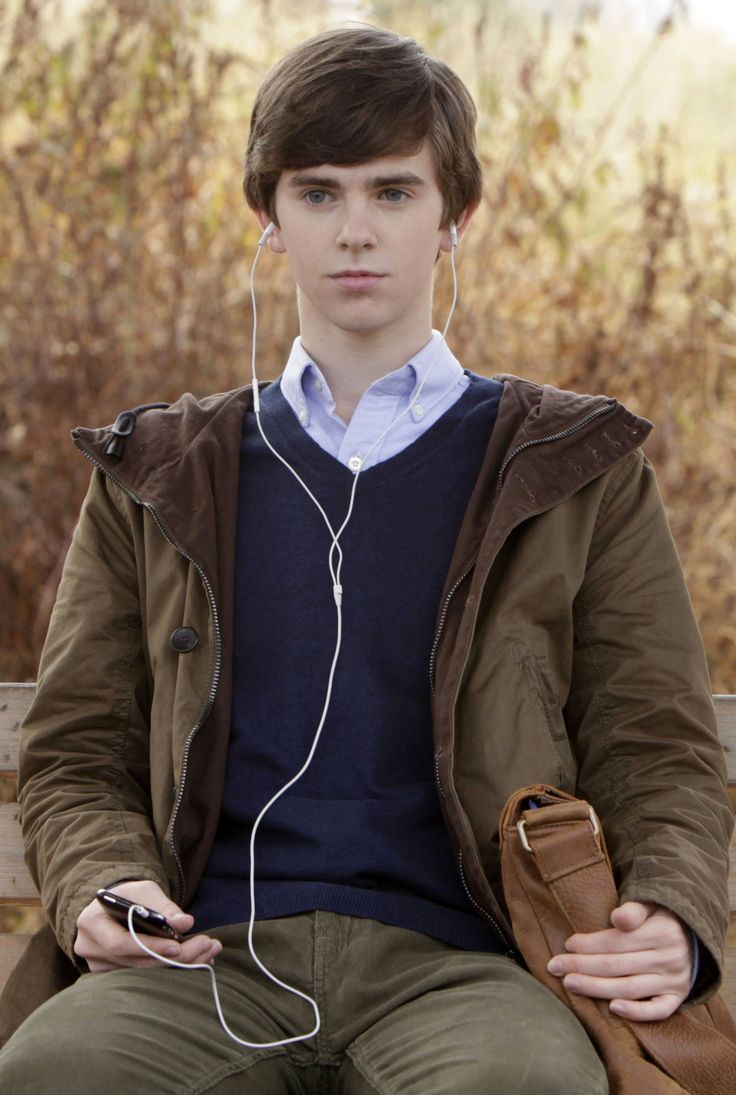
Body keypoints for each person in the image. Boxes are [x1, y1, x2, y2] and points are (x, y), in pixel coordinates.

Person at [0, 24, 731, 1095]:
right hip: (206, 958)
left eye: (393, 193)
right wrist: (102, 881)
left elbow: (656, 744)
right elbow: (74, 749)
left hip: (468, 966)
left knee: (524, 1088)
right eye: (317, 193)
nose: (354, 232)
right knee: (53, 1072)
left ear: (454, 218)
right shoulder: (160, 472)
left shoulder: (571, 468)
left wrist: (671, 911)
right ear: (269, 216)